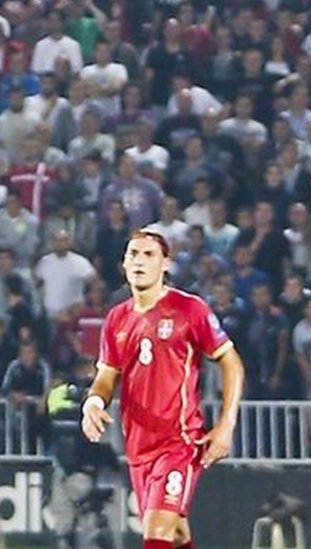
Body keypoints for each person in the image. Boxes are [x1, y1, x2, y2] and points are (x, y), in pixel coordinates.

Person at [81, 230, 245, 549]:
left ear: (165, 264)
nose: (139, 261)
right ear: (124, 264)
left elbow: (231, 363)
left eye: (148, 255)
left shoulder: (189, 310)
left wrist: (226, 425)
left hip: (179, 442)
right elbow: (106, 376)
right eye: (133, 254)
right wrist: (93, 403)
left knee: (157, 532)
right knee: (177, 532)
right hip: (139, 447)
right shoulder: (117, 319)